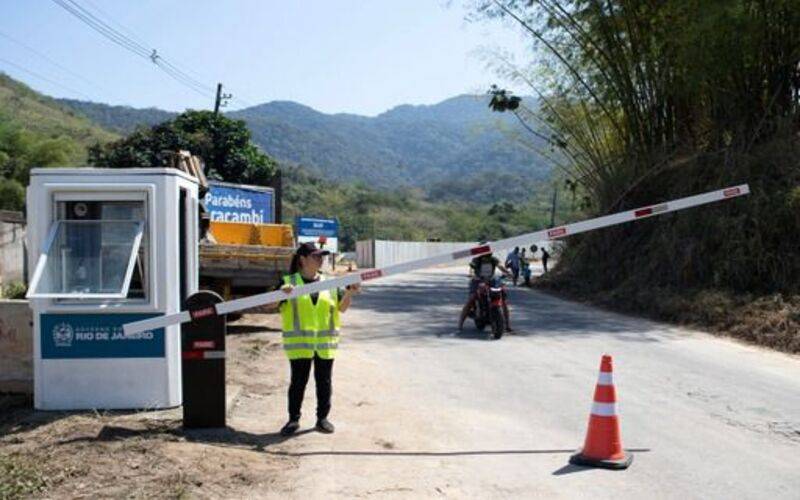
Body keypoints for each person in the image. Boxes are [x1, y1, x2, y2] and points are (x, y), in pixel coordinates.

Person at [278, 242, 360, 436]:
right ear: (303, 260)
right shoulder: (289, 282)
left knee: (324, 382)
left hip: (325, 344)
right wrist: (282, 293)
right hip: (300, 345)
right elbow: (269, 306)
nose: (320, 259)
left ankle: (322, 419)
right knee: (298, 382)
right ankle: (293, 420)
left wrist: (349, 293)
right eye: (316, 256)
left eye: (321, 256)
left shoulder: (329, 283)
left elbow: (342, 308)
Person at [458, 249, 513, 332]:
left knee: (503, 300)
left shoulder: (494, 259)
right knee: (472, 299)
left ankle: (507, 325)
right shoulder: (476, 260)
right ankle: (460, 323)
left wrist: (508, 273)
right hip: (478, 281)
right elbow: (472, 269)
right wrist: (472, 275)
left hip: (491, 281)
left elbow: (500, 266)